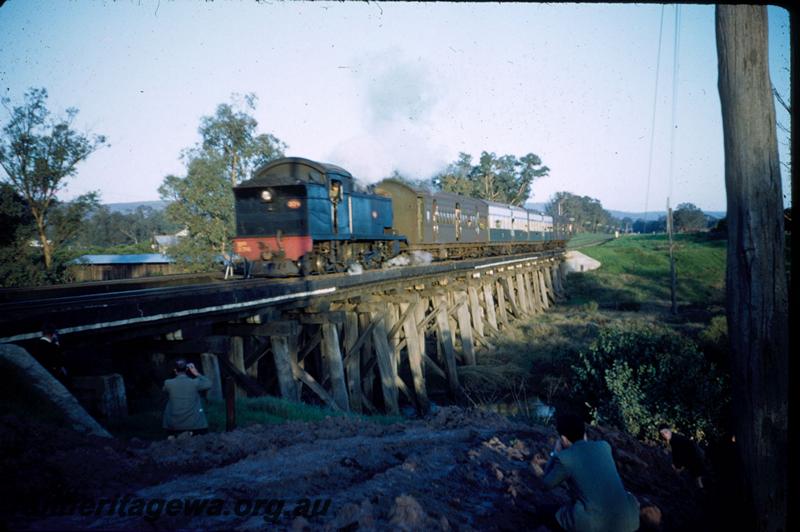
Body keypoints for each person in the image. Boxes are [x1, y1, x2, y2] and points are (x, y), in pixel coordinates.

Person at [533, 412, 640, 531]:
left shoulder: (565, 458)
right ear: (584, 434)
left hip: (597, 525)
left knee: (544, 511)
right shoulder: (604, 446)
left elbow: (546, 484)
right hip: (629, 522)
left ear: (563, 438)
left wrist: (555, 453)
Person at [162, 359, 212, 437]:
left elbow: (164, 389)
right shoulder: (195, 382)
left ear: (175, 370)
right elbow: (209, 384)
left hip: (174, 425)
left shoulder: (168, 383)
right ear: (187, 369)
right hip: (194, 425)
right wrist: (196, 373)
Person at [658, 423, 706, 489]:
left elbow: (678, 454)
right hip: (694, 457)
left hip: (696, 458)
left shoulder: (675, 439)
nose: (665, 435)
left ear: (669, 430)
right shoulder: (674, 438)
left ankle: (699, 486)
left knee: (697, 482)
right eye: (662, 434)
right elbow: (677, 453)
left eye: (666, 432)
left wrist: (678, 467)